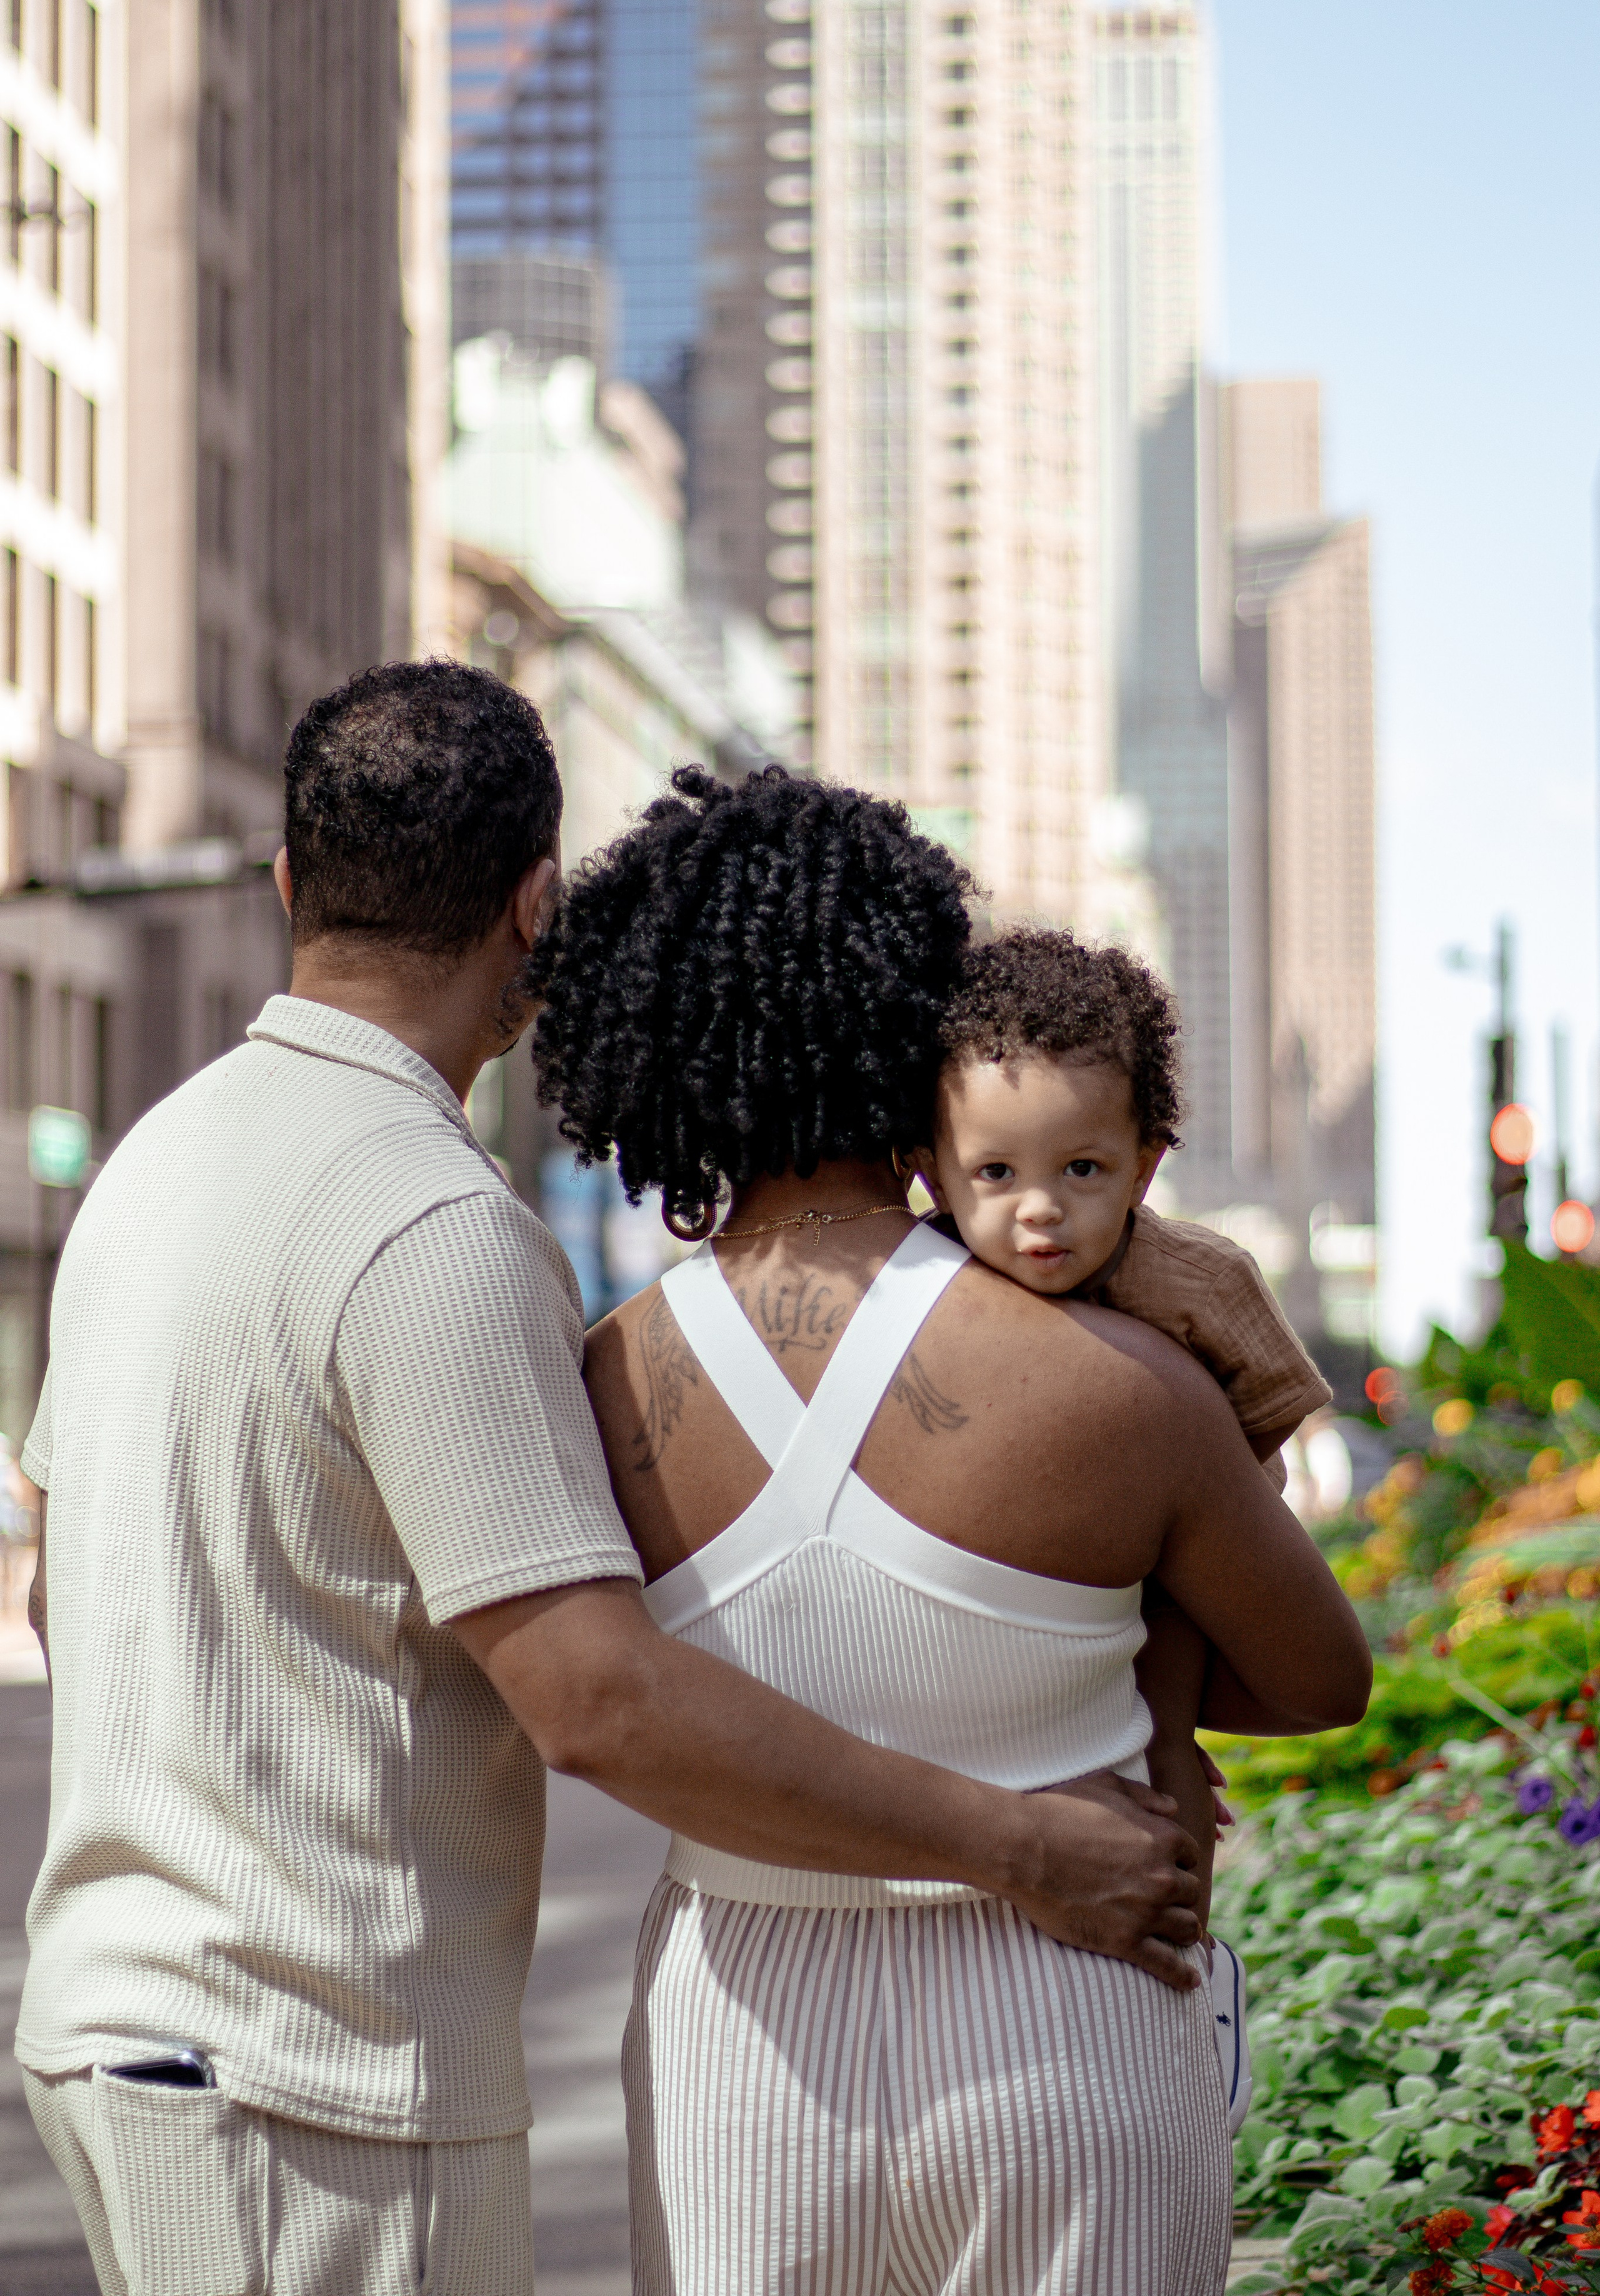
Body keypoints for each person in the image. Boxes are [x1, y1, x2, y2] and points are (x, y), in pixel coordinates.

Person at [19, 665, 1206, 2296]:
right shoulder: (429, 1226)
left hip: (112, 2023)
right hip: (316, 2074)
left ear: (290, 885)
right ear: (534, 905)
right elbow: (598, 1702)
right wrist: (1026, 1846)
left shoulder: (149, 1168)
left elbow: (55, 1576)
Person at [542, 763, 1373, 2296]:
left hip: (743, 2042)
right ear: (917, 1013)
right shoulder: (1127, 1380)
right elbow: (1320, 1680)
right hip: (1070, 2010)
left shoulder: (596, 1382)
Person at [908, 925, 1333, 1897]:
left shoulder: (1198, 1279)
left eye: (1083, 1171)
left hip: (1170, 1563)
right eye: (998, 1174)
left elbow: (1268, 1424)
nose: (1041, 1209)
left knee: (1165, 1725)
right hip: (1006, 1566)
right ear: (934, 1172)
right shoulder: (926, 1278)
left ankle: (1176, 1925)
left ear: (1145, 1167)